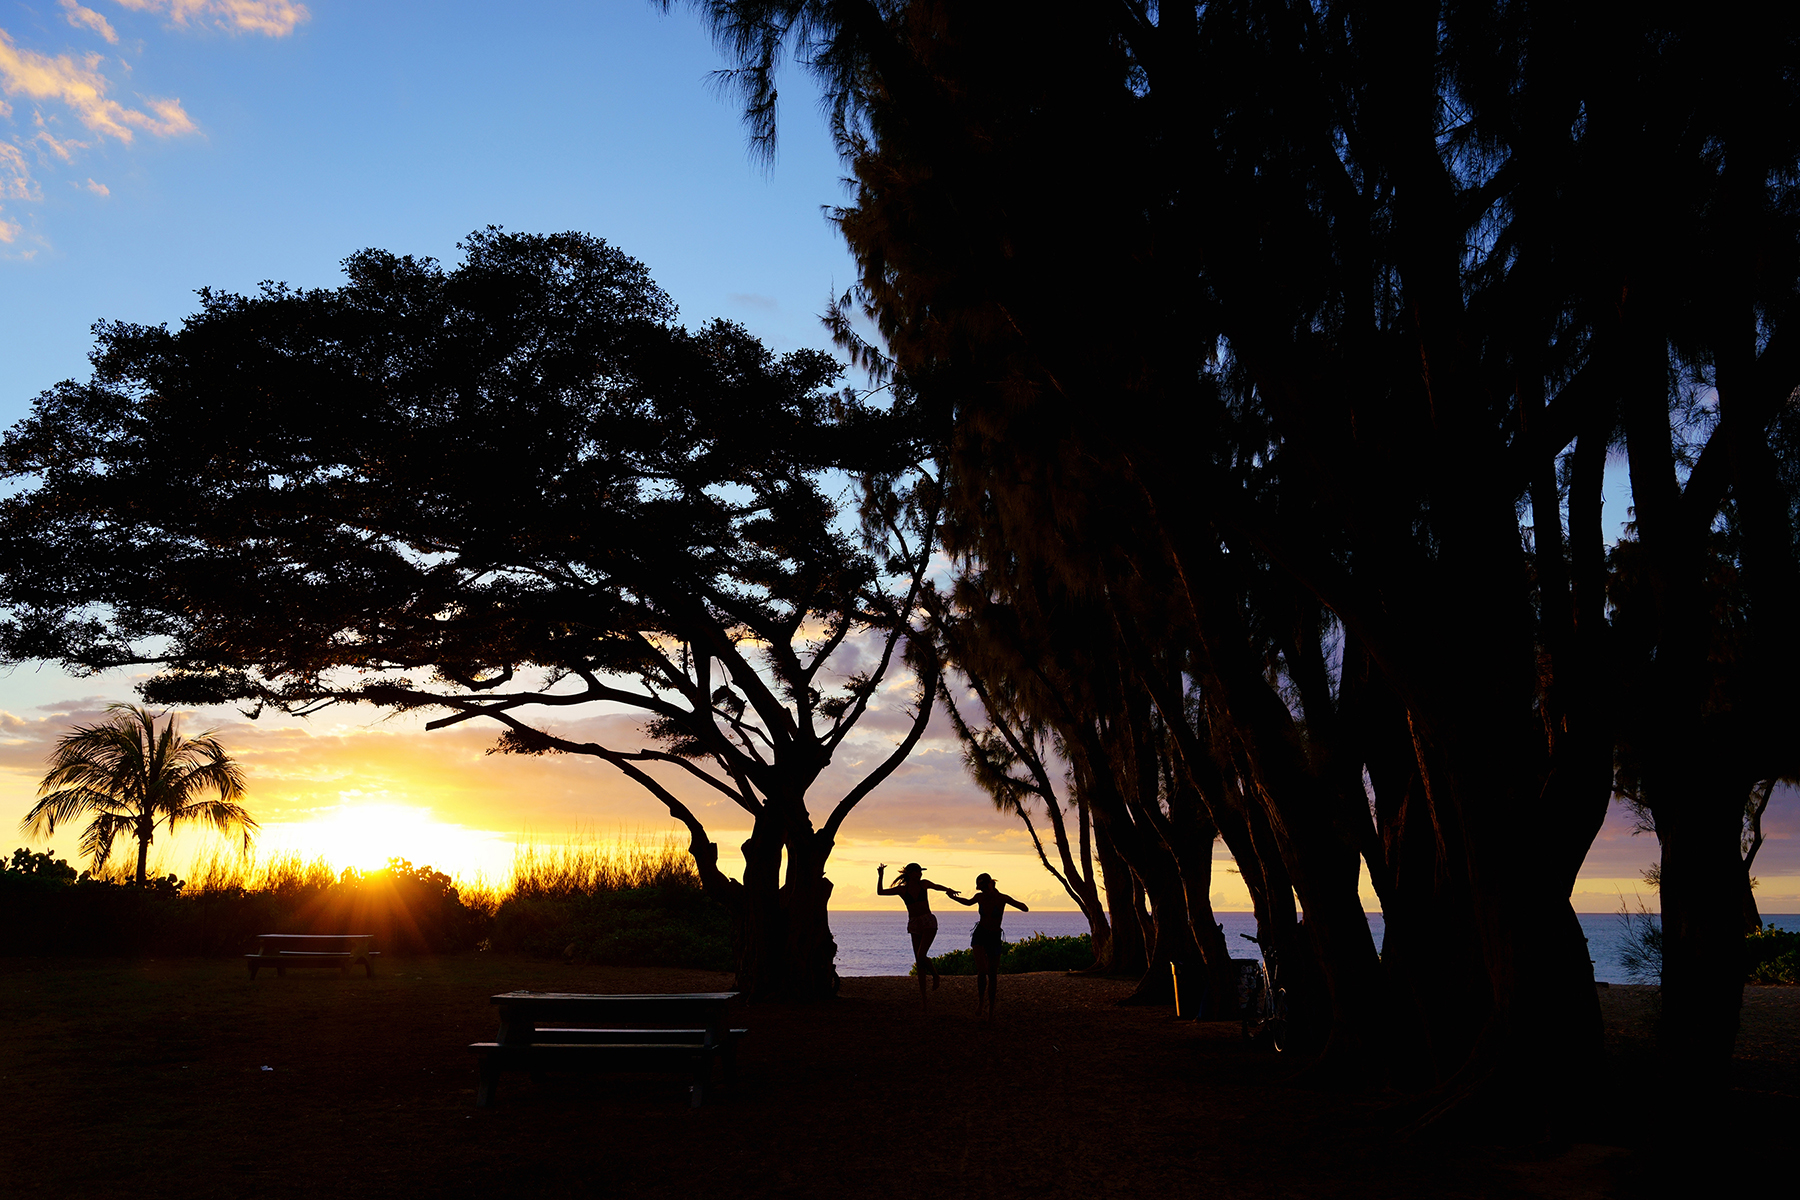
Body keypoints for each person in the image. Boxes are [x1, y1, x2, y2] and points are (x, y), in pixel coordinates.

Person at [877, 862, 959, 1010]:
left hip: (928, 921)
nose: (920, 874)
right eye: (917, 872)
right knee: (919, 962)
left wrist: (949, 890)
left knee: (921, 955)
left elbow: (937, 886)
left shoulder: (924, 884)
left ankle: (935, 975)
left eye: (920, 872)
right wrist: (881, 876)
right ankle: (924, 1000)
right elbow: (880, 892)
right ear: (909, 873)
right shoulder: (903, 890)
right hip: (914, 923)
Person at [948, 873, 1029, 1020]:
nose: (983, 890)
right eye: (981, 888)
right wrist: (953, 897)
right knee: (982, 971)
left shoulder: (1002, 898)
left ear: (991, 884)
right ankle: (980, 1003)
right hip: (980, 934)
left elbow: (1024, 908)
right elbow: (967, 902)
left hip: (994, 936)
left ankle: (991, 1008)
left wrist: (1018, 904)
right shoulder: (980, 897)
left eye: (985, 887)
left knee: (992, 975)